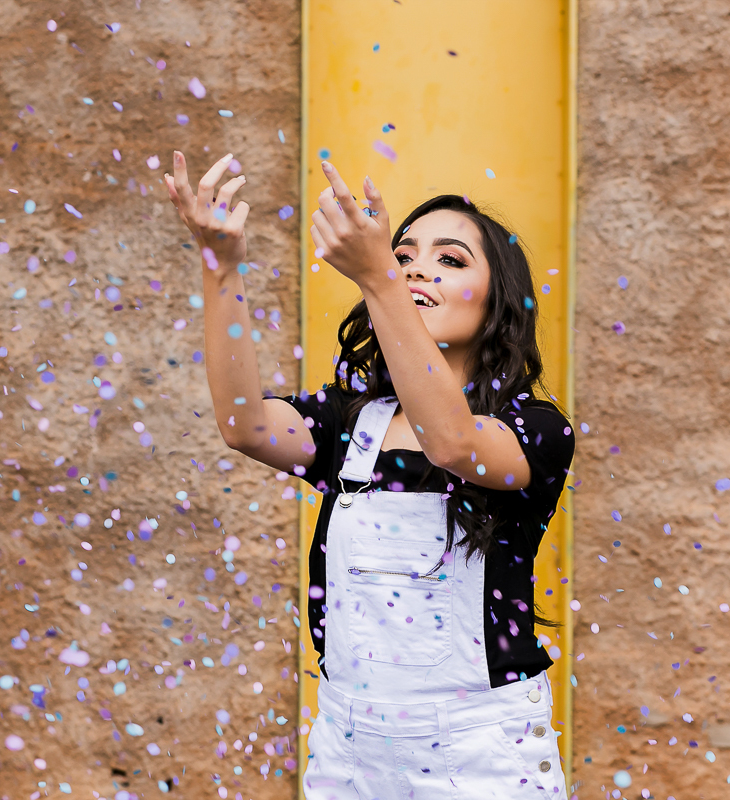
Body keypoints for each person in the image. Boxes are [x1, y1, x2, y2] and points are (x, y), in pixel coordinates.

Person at [165, 150, 575, 799]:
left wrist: (381, 277)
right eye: (404, 253)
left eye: (450, 259)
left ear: (497, 301)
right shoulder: (348, 420)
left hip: (481, 752)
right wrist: (220, 265)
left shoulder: (535, 428)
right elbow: (244, 425)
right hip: (349, 748)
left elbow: (452, 443)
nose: (416, 268)